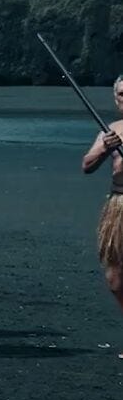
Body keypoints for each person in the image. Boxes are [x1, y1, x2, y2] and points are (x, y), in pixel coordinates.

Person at [81, 76, 123, 351]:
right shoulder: (111, 130)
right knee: (115, 278)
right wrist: (106, 148)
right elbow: (87, 165)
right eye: (120, 94)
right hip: (119, 206)